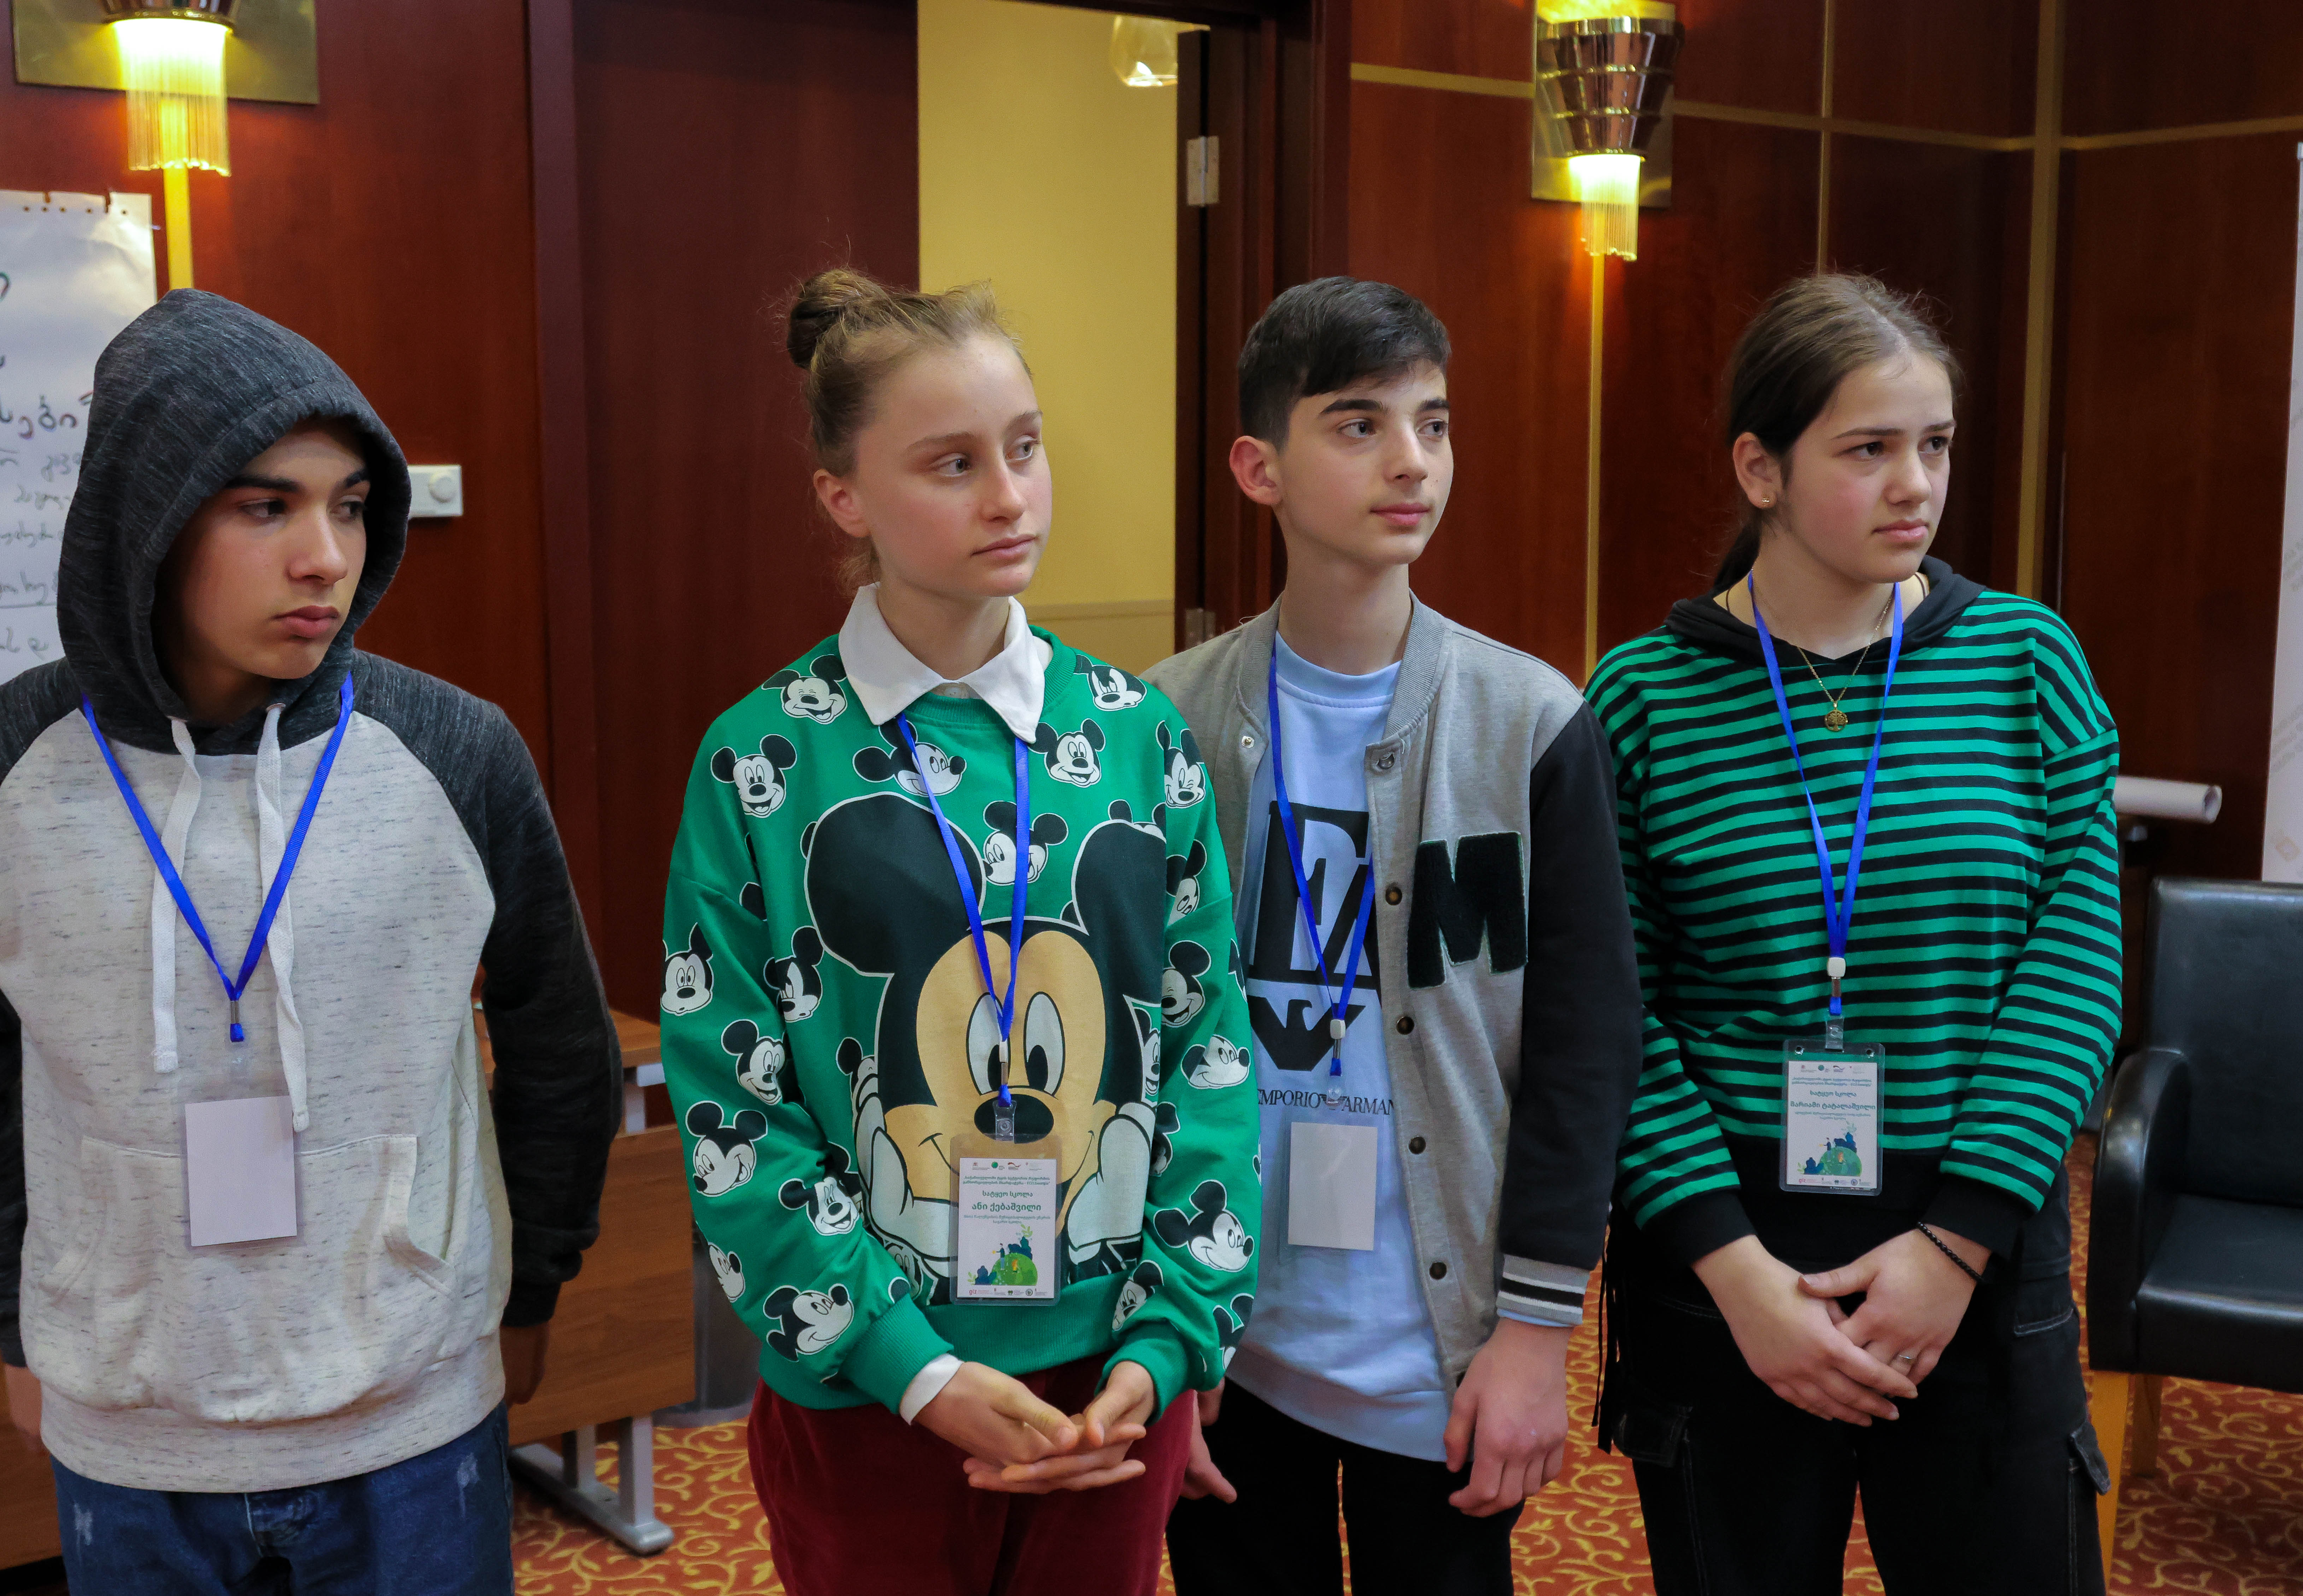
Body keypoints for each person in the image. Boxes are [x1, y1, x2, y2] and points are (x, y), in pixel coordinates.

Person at [0, 289, 623, 1593]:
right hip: (129, 1425)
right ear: (148, 520)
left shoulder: (456, 752)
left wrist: (533, 1293)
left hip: (414, 1410)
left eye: (349, 506)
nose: (325, 558)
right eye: (265, 507)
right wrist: (10, 1317)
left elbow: (561, 1045)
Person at [659, 268, 1260, 1596]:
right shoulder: (763, 759)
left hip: (1111, 1380)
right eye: (952, 464)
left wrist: (1167, 1343)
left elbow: (1207, 1048)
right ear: (844, 498)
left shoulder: (1136, 735)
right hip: (869, 1389)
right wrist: (915, 1373)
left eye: (1025, 449)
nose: (1009, 497)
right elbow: (730, 1103)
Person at [1586, 274, 2122, 1595]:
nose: (1914, 485)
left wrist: (1953, 1247)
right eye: (1868, 449)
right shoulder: (1642, 699)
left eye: (1934, 445)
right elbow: (1612, 1013)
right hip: (1725, 1253)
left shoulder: (2024, 663)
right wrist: (1737, 1275)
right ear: (1758, 469)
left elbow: (2072, 969)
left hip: (1974, 1237)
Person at [1147, 276, 1645, 1595]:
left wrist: (1536, 1333)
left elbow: (1587, 1050)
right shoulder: (1159, 725)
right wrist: (1156, 1333)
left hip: (1441, 1335)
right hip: (1224, 1332)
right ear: (1258, 468)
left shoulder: (1532, 721)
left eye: (1432, 422)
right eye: (1359, 425)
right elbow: (1128, 1050)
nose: (1412, 460)